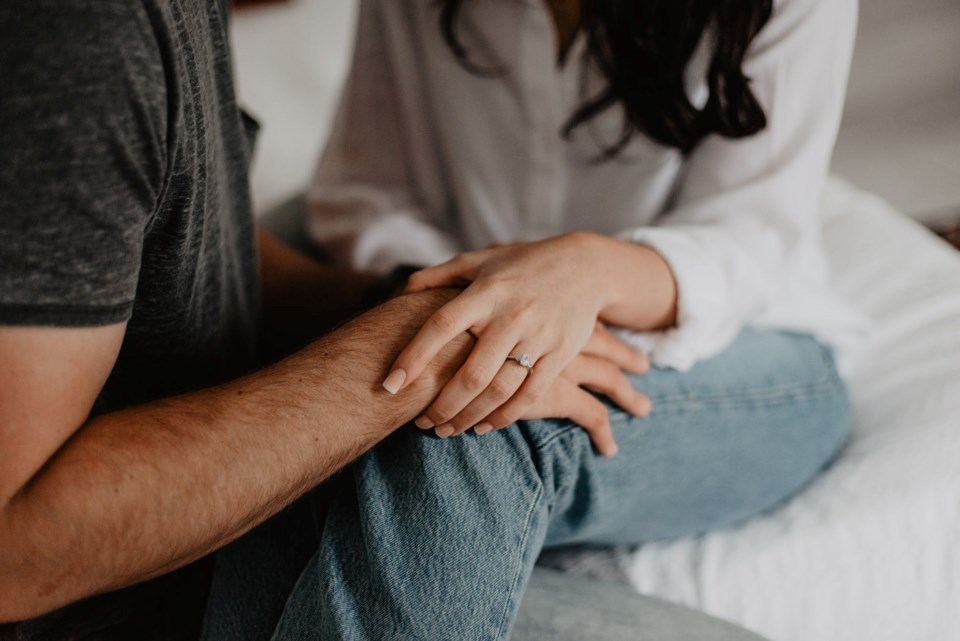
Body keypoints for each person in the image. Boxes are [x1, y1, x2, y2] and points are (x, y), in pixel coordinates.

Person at [0, 1, 775, 640]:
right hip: (132, 587)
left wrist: (420, 306)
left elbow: (175, 243)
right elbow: (13, 548)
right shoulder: (83, 35)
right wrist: (421, 340)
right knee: (482, 408)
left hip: (213, 539)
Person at [287, 0, 863, 638]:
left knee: (478, 417)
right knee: (362, 392)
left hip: (742, 333)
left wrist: (584, 273)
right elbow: (367, 192)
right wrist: (481, 308)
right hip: (452, 278)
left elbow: (754, 238)